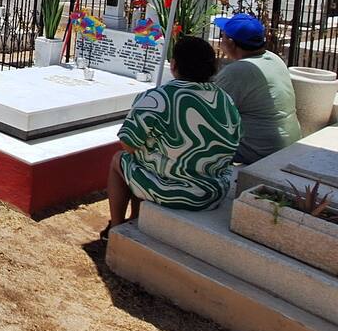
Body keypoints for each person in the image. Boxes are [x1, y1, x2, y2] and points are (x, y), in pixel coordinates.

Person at [104, 36, 242, 238]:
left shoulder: (158, 98)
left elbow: (128, 144)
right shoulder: (225, 100)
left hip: (172, 191)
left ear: (174, 65)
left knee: (121, 160)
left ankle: (115, 227)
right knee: (144, 160)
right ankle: (136, 215)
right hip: (213, 191)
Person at [212, 12, 302, 164]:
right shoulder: (274, 58)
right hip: (289, 142)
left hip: (259, 151)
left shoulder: (238, 71)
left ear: (231, 43)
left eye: (223, 36)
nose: (221, 40)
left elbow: (211, 114)